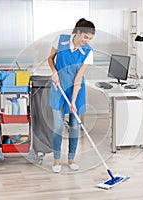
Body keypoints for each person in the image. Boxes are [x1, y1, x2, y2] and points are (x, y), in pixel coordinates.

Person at [48, 18, 95, 173]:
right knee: (58, 126)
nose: (86, 41)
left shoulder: (88, 52)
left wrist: (73, 102)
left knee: (74, 127)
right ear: (78, 32)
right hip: (58, 87)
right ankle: (56, 160)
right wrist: (54, 72)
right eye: (85, 37)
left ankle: (71, 159)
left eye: (89, 39)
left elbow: (78, 78)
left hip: (76, 90)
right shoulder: (60, 40)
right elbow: (50, 58)